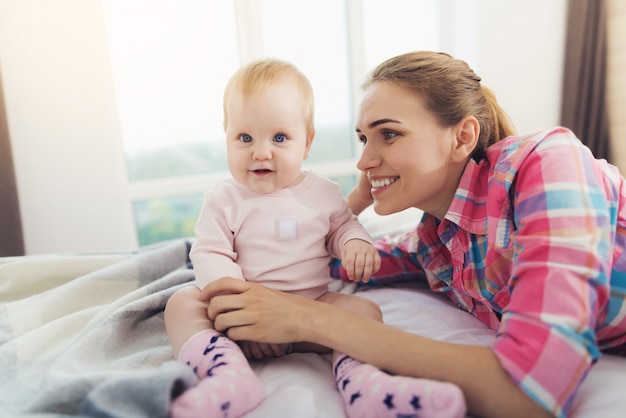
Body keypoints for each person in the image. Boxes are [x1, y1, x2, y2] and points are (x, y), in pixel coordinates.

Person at [199, 51, 626, 418]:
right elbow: (307, 259)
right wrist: (351, 205)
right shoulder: (437, 242)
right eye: (364, 139)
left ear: (463, 137)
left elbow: (531, 391)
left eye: (388, 134)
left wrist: (310, 321)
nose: (364, 161)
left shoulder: (550, 164)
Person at [164, 58, 467, 418]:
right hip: (242, 316)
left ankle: (364, 383)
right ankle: (227, 373)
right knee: (183, 303)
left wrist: (355, 243)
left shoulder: (321, 192)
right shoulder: (223, 200)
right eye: (245, 138)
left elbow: (342, 226)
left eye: (279, 138)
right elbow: (210, 255)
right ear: (227, 138)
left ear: (306, 143)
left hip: (312, 310)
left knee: (361, 309)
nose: (261, 151)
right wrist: (237, 316)